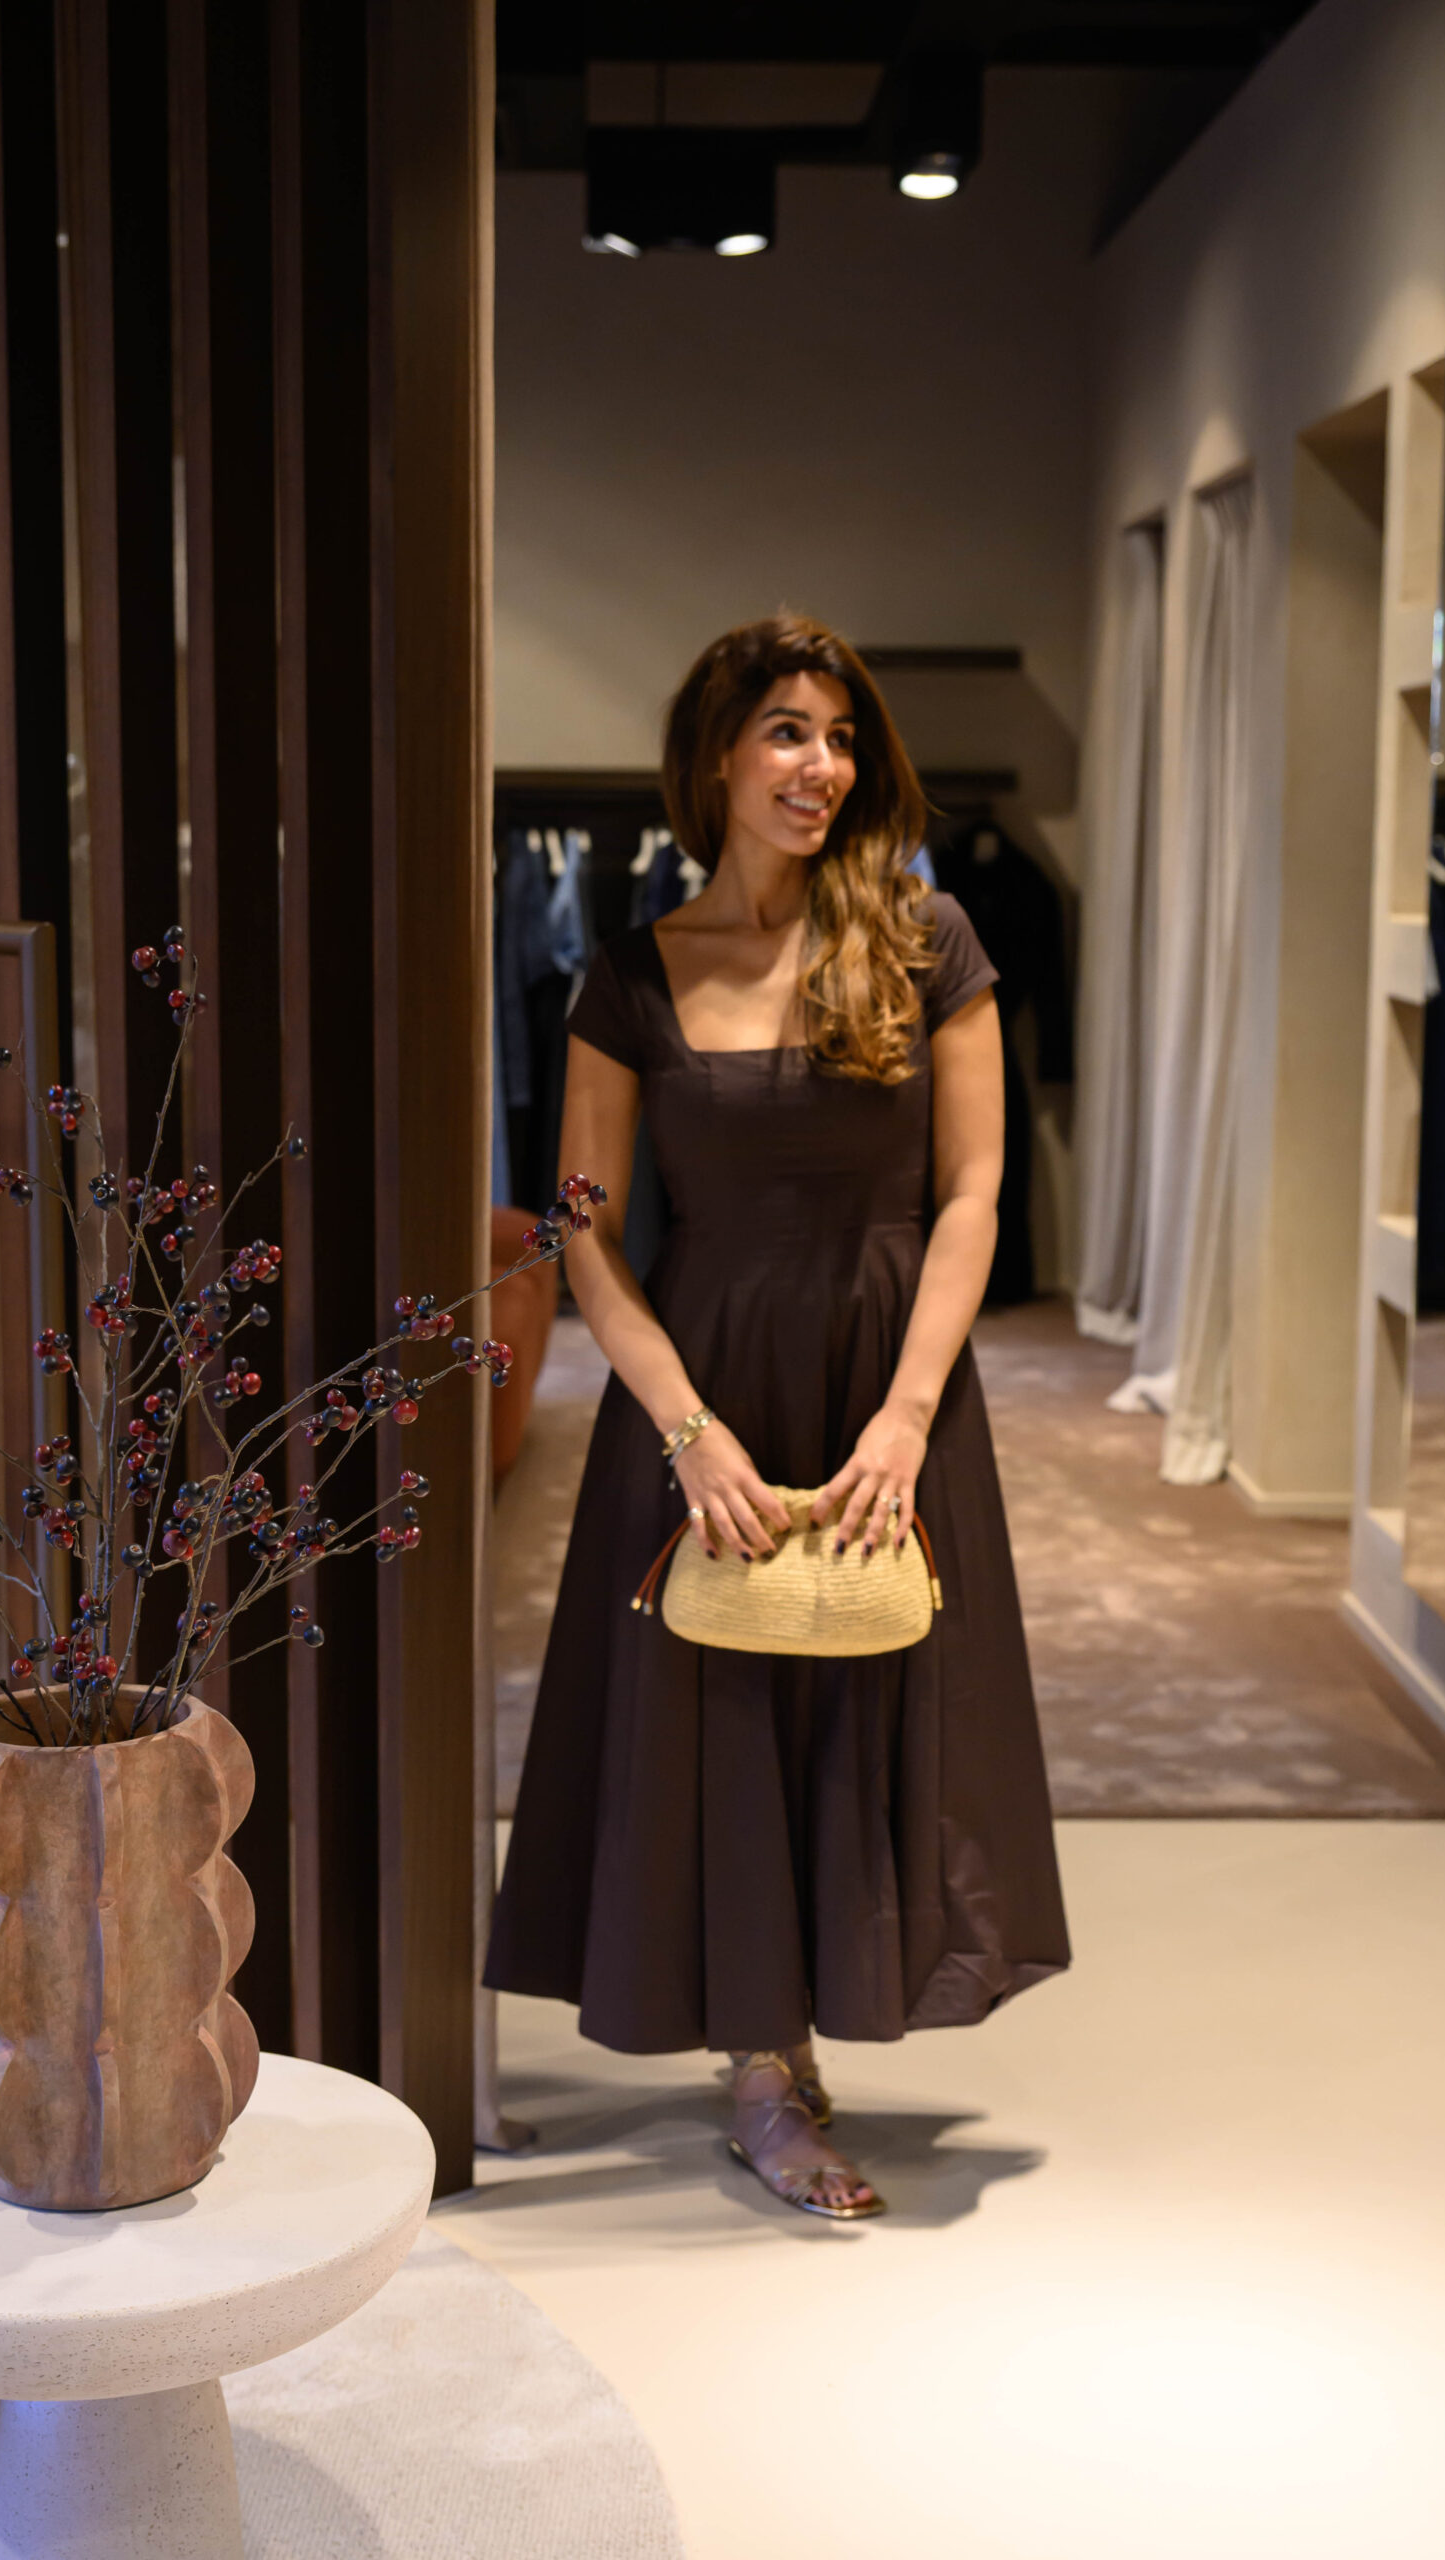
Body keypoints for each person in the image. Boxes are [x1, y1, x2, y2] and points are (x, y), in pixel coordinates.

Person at [485, 613, 1069, 2219]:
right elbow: (585, 1230)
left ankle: (829, 2015)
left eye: (842, 736)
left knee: (872, 1692)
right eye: (790, 734)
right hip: (706, 1389)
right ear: (719, 758)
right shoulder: (630, 972)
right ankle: (763, 2068)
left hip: (891, 1376)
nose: (824, 767)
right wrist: (686, 1429)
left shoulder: (930, 936)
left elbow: (972, 1192)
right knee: (726, 1712)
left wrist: (908, 1415)